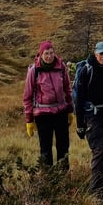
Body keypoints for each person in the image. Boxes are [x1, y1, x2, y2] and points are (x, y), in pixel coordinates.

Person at [72, 41, 103, 194]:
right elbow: (79, 99)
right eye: (101, 53)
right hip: (91, 116)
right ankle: (95, 191)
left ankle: (100, 183)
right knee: (99, 149)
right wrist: (80, 124)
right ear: (95, 53)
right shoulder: (87, 70)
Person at [22, 40, 74, 168]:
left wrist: (70, 110)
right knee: (45, 149)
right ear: (41, 54)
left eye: (51, 53)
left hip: (61, 112)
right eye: (46, 53)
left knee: (63, 147)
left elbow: (67, 89)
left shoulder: (61, 67)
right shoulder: (34, 71)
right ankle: (48, 180)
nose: (49, 56)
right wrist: (29, 120)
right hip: (43, 115)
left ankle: (64, 177)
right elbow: (27, 97)